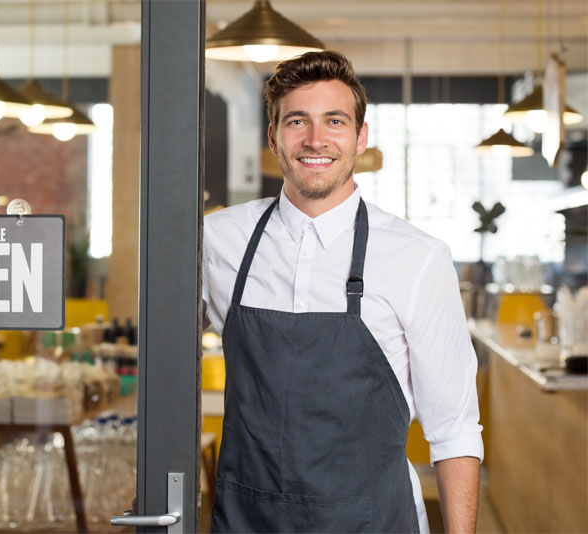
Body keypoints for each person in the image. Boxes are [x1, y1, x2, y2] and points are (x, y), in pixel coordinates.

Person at [203, 50, 483, 534]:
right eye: (297, 121)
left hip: (373, 521)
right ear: (273, 137)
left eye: (334, 120)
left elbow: (453, 429)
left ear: (360, 136)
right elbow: (166, 365)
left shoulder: (418, 258)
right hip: (247, 520)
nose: (315, 140)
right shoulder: (217, 241)